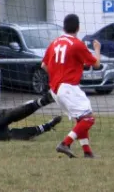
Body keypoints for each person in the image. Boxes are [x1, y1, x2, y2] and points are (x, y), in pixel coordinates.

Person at [42, 14, 101, 159]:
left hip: (55, 89)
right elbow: (96, 64)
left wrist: (55, 75)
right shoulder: (77, 44)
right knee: (88, 119)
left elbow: (44, 65)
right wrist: (97, 49)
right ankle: (65, 143)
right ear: (78, 28)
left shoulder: (55, 42)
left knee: (81, 119)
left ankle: (87, 152)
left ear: (63, 27)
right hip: (68, 87)